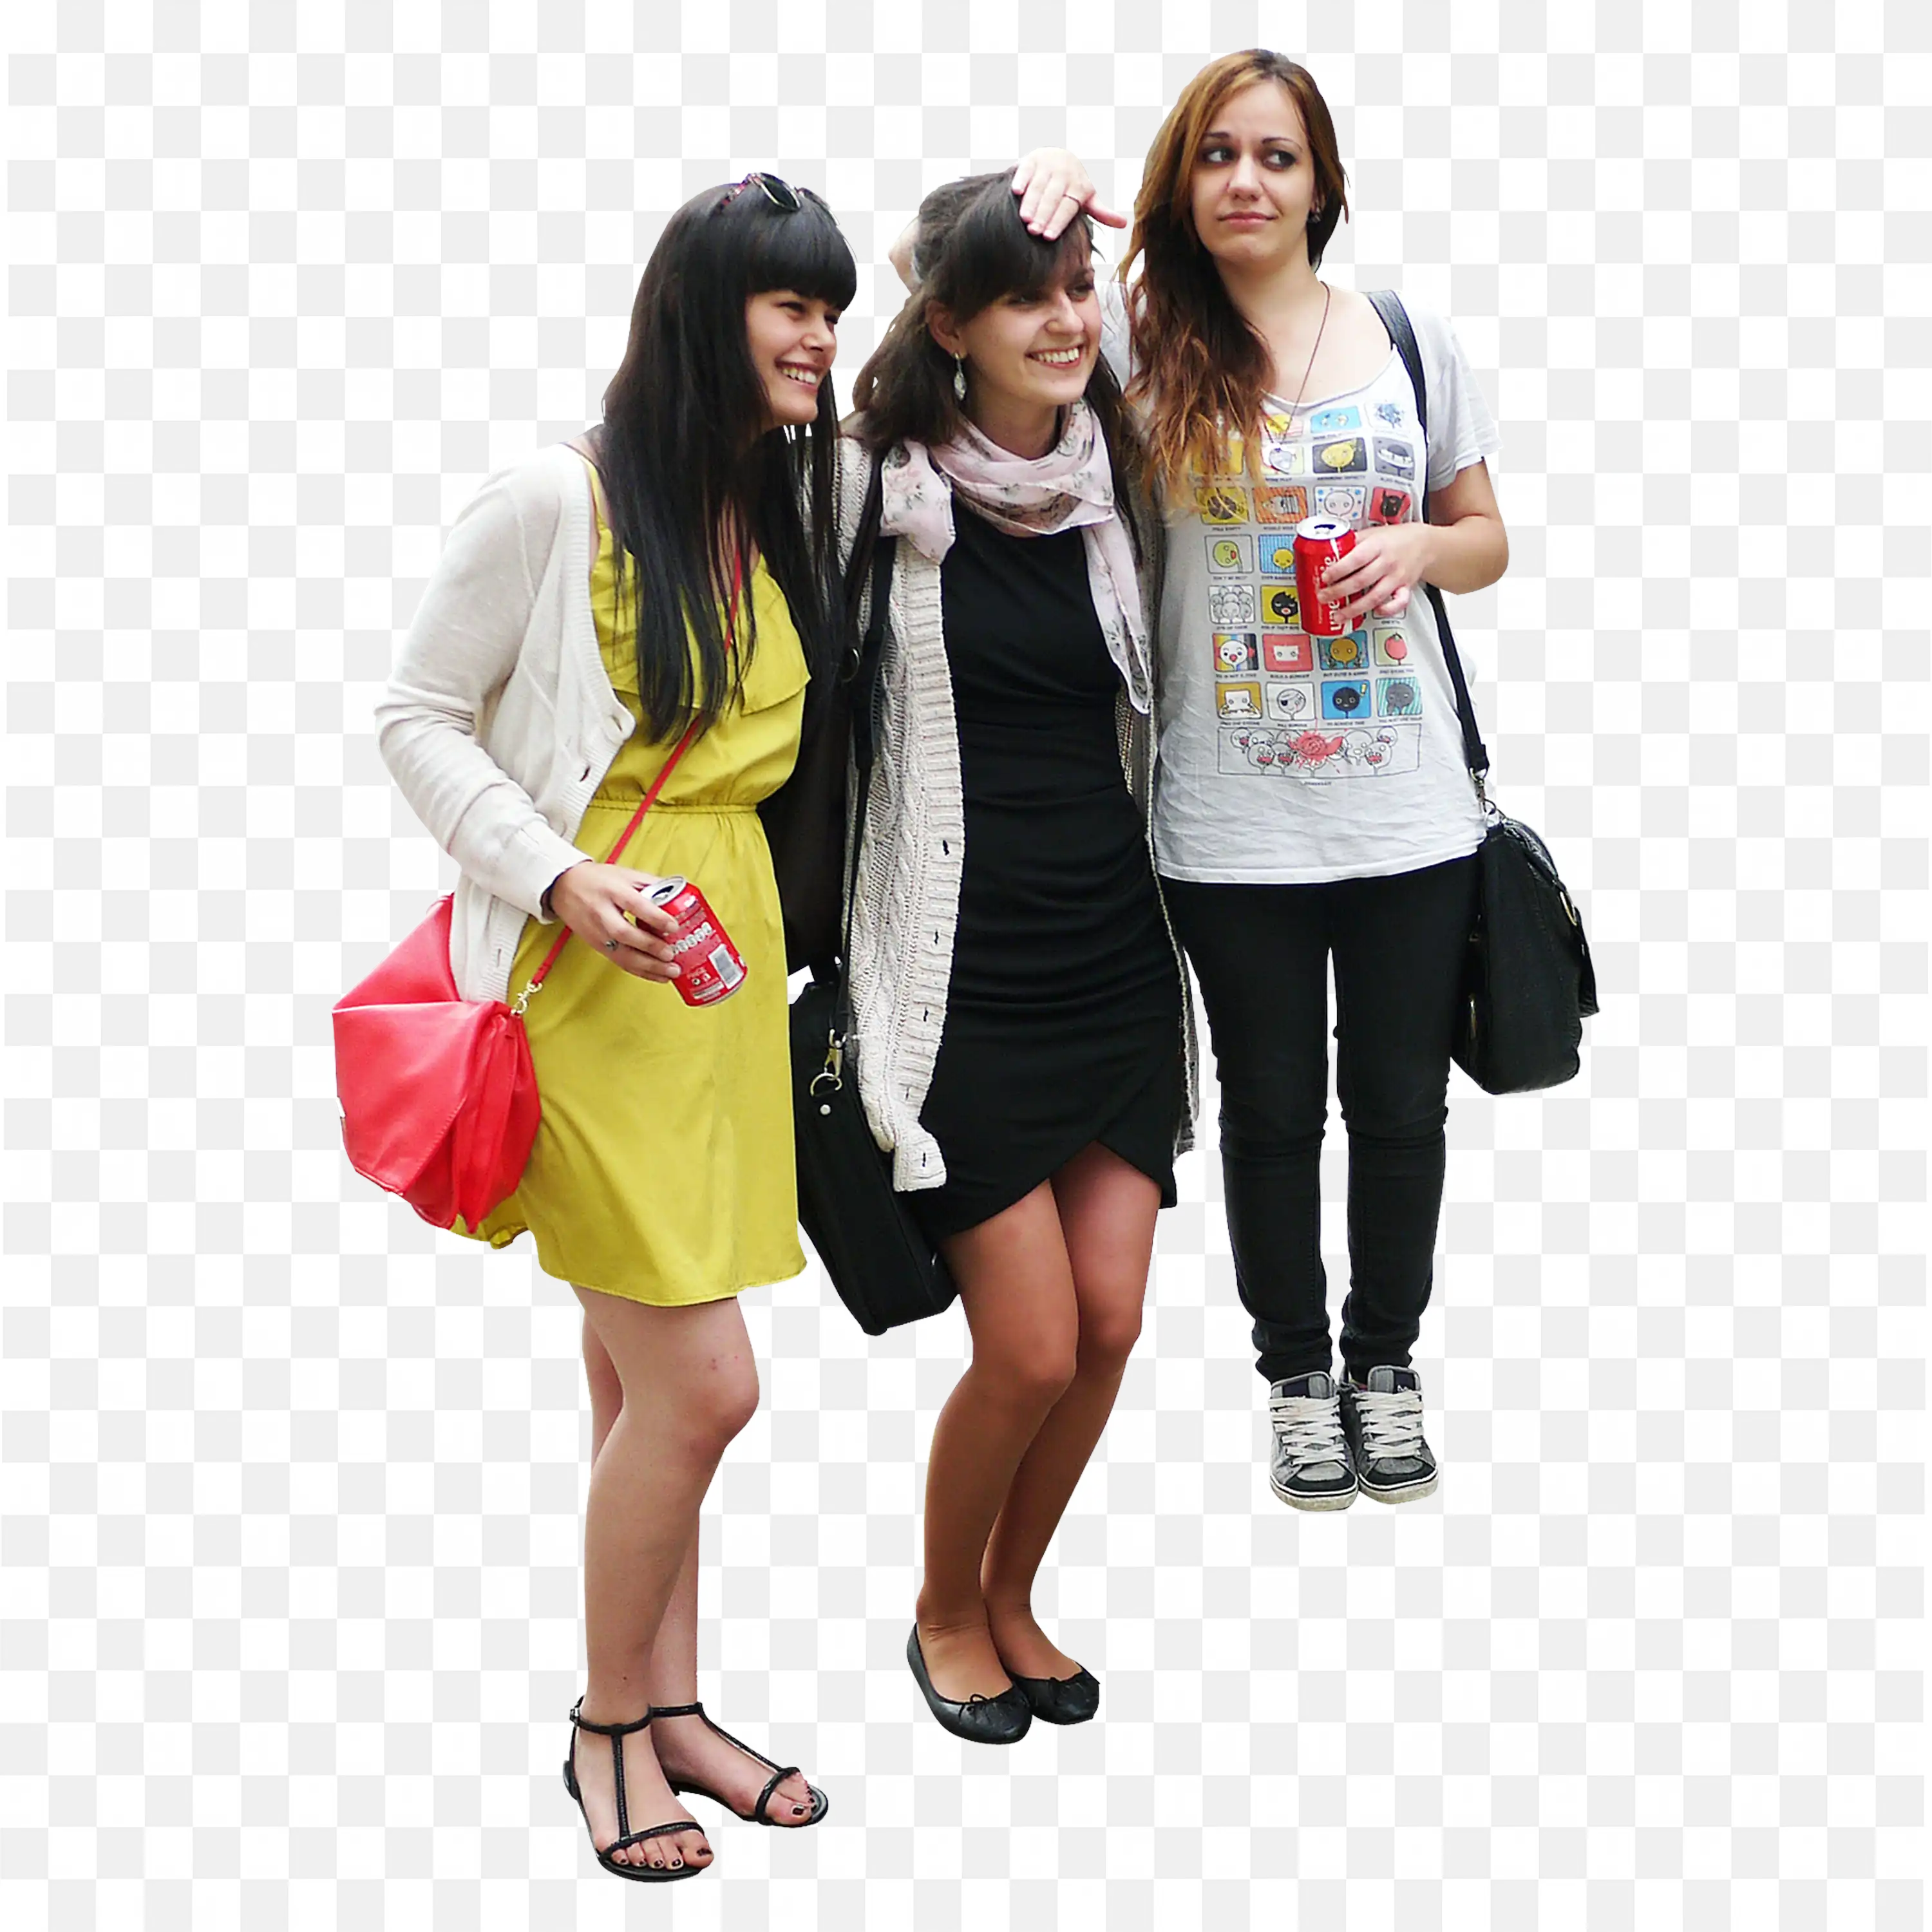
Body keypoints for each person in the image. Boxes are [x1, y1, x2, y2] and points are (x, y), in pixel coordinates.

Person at [374, 174, 853, 1879]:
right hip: (588, 993)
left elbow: (999, 392)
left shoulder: (776, 505)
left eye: (833, 307)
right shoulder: (553, 503)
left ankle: (674, 1706)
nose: (820, 334)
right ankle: (602, 1730)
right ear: (699, 313)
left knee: (632, 1385)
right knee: (704, 1388)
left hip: (715, 1007)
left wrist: (1058, 208)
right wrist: (561, 879)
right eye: (788, 304)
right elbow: (417, 717)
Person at [1001, 50, 1510, 1510]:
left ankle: (1388, 1362)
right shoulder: (1135, 347)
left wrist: (1420, 550)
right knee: (1274, 1106)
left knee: (1403, 1104)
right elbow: (949, 307)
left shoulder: (1406, 337)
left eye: (1278, 156)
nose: (1247, 179)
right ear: (1185, 178)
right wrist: (1048, 204)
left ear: (1321, 184)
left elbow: (1489, 536)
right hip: (1227, 824)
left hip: (1409, 805)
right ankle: (1296, 1373)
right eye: (1219, 152)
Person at [842, 171, 1195, 1741]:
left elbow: (1252, 308)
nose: (1065, 321)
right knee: (1031, 1338)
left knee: (1111, 1323)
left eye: (1076, 290)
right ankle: (939, 1607)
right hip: (961, 973)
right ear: (948, 325)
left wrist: (1105, 182)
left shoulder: (1123, 473)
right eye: (1022, 296)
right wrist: (956, 217)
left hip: (1114, 950)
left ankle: (1015, 1590)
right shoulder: (872, 492)